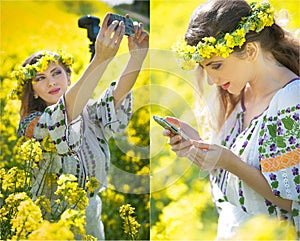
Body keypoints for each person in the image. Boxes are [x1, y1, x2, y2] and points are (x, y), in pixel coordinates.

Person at [167, 0, 299, 239]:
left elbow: (292, 201)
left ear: (250, 51)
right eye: (205, 69)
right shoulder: (239, 94)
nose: (210, 80)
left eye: (216, 66)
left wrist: (230, 163)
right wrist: (196, 144)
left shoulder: (290, 99)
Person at [11, 13, 148, 239]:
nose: (52, 82)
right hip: (53, 221)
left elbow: (116, 97)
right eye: (40, 78)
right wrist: (101, 59)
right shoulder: (30, 125)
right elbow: (63, 115)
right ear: (33, 90)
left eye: (57, 73)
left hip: (91, 210)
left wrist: (137, 57)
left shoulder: (88, 110)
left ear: (69, 78)